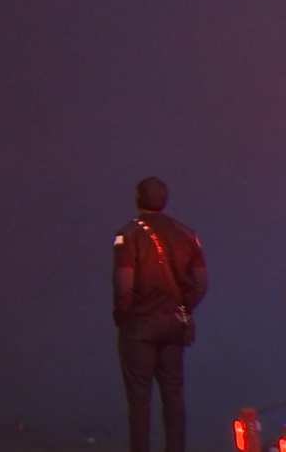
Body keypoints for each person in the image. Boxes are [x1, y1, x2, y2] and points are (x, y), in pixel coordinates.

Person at [112, 176, 208, 452]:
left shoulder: (128, 235)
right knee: (174, 395)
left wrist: (123, 315)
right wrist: (182, 307)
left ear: (138, 198)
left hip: (139, 326)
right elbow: (201, 284)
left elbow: (123, 285)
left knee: (139, 399)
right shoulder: (188, 235)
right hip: (174, 325)